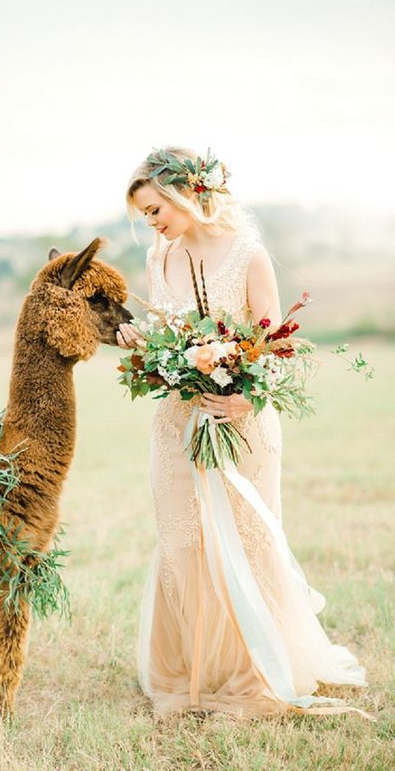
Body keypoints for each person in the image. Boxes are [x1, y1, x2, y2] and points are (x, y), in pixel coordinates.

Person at [117, 146, 369, 719]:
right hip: (177, 422)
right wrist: (146, 350)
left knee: (247, 544)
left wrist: (241, 395)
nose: (151, 224)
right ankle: (190, 678)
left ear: (187, 193)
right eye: (144, 216)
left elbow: (276, 347)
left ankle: (251, 676)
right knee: (183, 541)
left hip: (244, 421)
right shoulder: (159, 260)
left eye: (155, 210)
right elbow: (164, 337)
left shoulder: (249, 256)